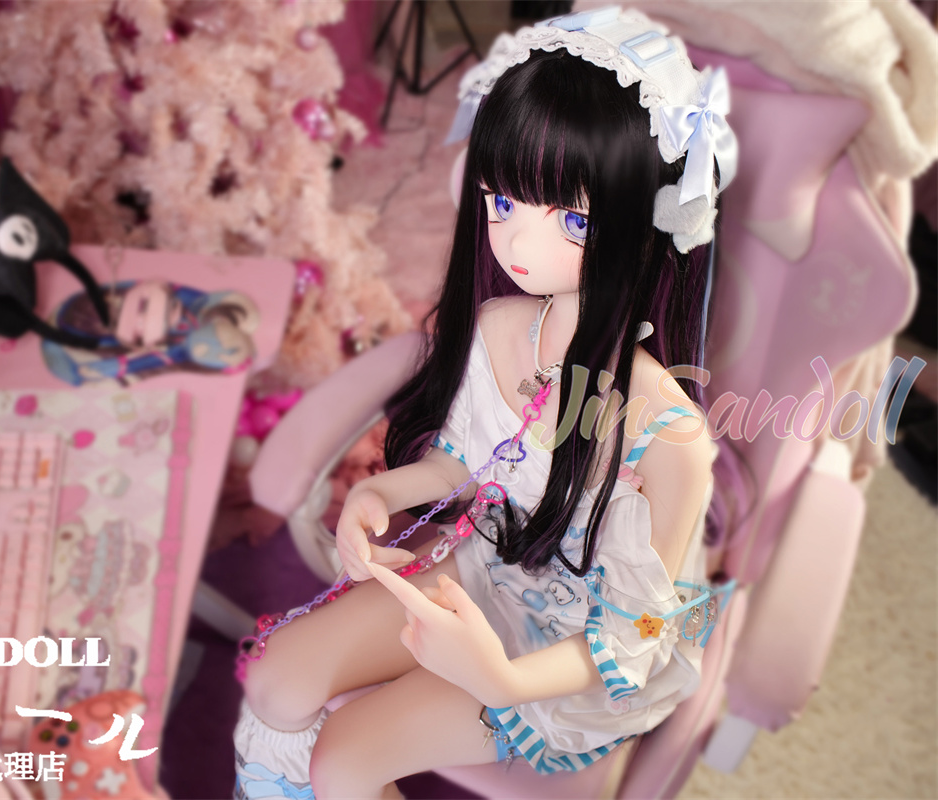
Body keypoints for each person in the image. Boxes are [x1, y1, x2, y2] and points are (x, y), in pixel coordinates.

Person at [234, 7, 737, 799]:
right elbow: (463, 462)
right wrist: (380, 492)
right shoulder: (503, 326)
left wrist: (502, 679)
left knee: (343, 761)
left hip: (568, 657)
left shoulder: (669, 435)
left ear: (645, 223)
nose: (517, 244)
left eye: (571, 218)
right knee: (274, 680)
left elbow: (635, 633)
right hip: (486, 571)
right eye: (502, 203)